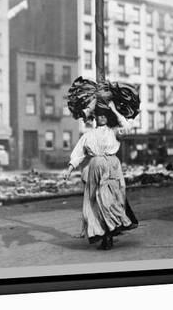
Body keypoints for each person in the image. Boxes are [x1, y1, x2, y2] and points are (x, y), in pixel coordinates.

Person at [64, 100, 138, 250]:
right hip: (95, 169)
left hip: (112, 169)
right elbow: (79, 153)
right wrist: (70, 169)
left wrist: (114, 110)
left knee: (110, 201)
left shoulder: (114, 132)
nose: (102, 117)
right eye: (99, 115)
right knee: (96, 203)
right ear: (95, 117)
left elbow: (127, 127)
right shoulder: (88, 135)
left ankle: (109, 235)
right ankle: (104, 235)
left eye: (105, 115)